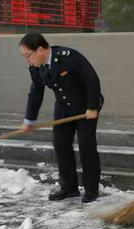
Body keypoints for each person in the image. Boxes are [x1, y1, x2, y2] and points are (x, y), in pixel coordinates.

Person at [19, 32, 103, 203]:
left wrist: (92, 107)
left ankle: (91, 190)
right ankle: (69, 188)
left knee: (86, 146)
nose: (27, 60)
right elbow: (36, 90)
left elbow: (92, 80)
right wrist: (29, 120)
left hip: (85, 105)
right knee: (61, 144)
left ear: (40, 50)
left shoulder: (68, 57)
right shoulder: (36, 66)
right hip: (63, 106)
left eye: (27, 55)